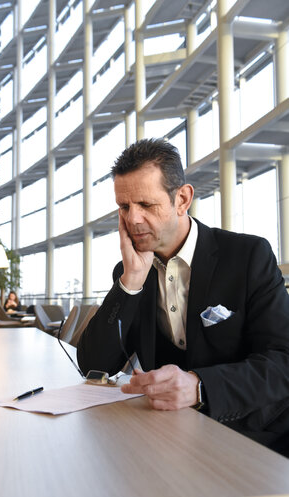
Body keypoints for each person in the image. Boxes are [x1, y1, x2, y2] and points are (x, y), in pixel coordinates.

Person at [77, 138, 289, 456]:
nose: (133, 219)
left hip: (252, 435)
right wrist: (130, 281)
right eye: (124, 207)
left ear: (182, 199)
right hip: (170, 436)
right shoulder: (130, 271)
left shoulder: (248, 256)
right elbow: (93, 364)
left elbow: (282, 361)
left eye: (146, 205)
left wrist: (200, 386)